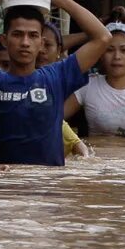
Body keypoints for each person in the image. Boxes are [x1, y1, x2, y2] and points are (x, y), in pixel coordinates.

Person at [0, 0, 112, 166]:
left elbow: (102, 37)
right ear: (4, 40)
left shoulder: (57, 77)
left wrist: (63, 0)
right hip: (1, 186)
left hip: (48, 187)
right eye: (18, 34)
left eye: (33, 35)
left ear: (41, 43)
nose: (25, 42)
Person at [35, 22, 90, 159]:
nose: (41, 50)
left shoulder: (67, 77)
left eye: (47, 45)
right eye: (37, 43)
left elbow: (81, 149)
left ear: (59, 50)